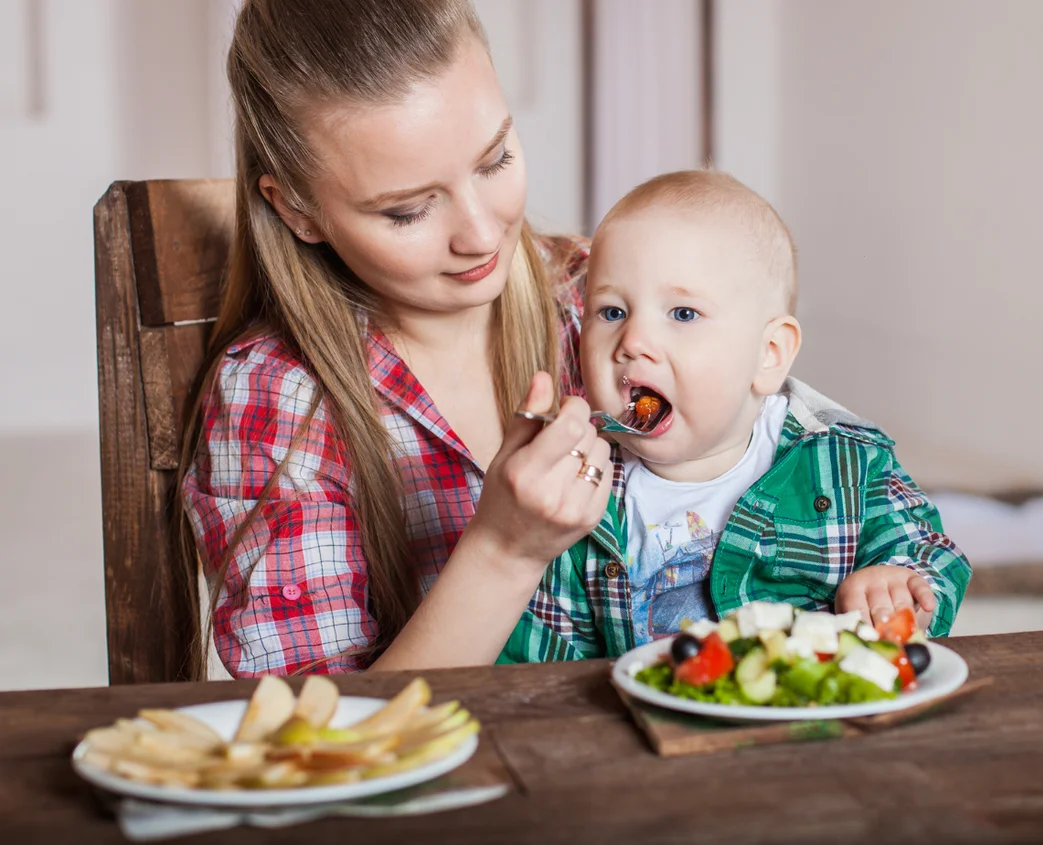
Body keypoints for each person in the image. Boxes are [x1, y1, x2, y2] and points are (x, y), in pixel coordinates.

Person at [180, 0, 615, 677]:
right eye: (408, 210)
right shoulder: (277, 400)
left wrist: (844, 570)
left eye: (496, 159)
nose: (480, 233)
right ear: (298, 210)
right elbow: (322, 741)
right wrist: (506, 549)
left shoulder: (601, 298)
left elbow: (791, 463)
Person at [503, 170, 971, 661]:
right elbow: (541, 657)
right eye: (613, 312)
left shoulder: (843, 462)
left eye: (682, 314)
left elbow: (930, 551)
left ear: (768, 354)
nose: (633, 342)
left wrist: (897, 586)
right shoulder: (579, 498)